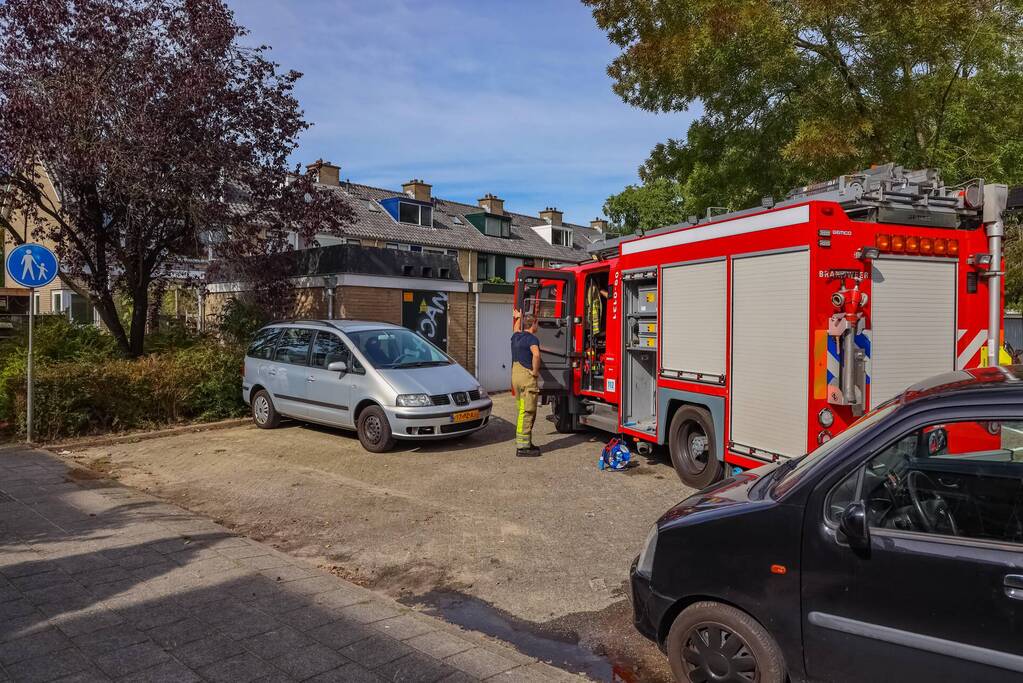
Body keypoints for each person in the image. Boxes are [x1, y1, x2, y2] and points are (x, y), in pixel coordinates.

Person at [510, 314, 541, 456]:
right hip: (526, 378)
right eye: (537, 323)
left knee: (522, 410)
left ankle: (526, 442)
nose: (537, 326)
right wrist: (535, 371)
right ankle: (523, 447)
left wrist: (518, 317)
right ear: (533, 324)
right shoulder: (532, 339)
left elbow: (515, 328)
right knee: (528, 411)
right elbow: (536, 355)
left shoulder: (516, 336)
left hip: (515, 376)